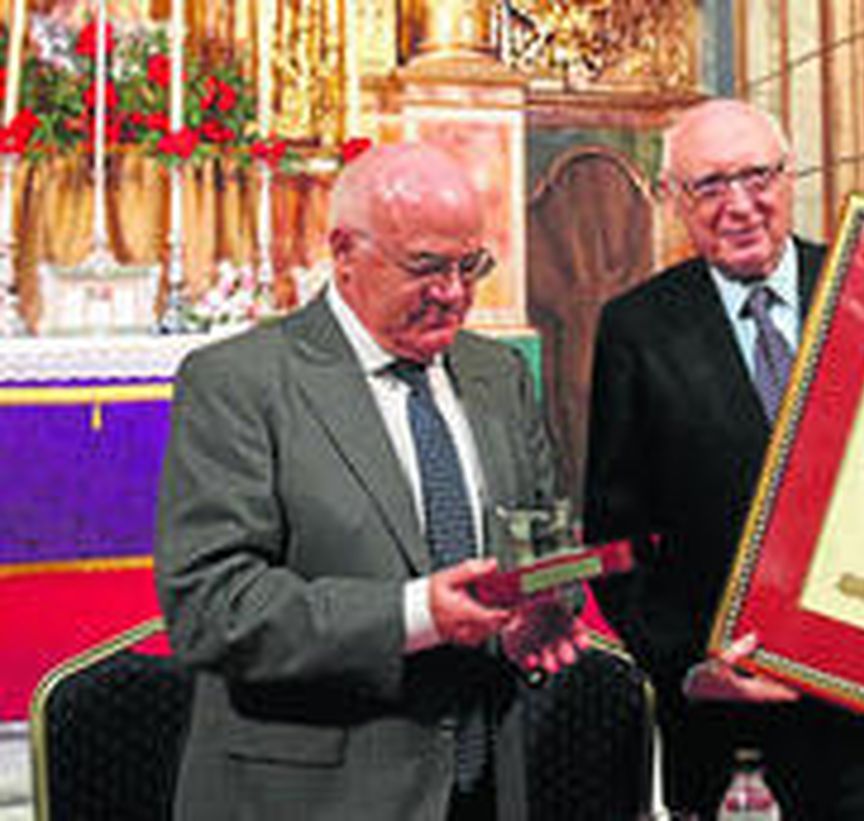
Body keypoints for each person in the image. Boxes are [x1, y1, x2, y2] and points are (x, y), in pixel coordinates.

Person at [583, 98, 864, 819]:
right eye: (709, 186)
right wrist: (687, 669)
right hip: (729, 731)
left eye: (757, 176)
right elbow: (613, 539)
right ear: (671, 199)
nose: (739, 205)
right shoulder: (637, 328)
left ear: (790, 175)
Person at [155, 143, 582, 821]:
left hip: (485, 778)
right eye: (426, 267)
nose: (454, 292)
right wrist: (417, 614)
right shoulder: (240, 382)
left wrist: (537, 610)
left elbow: (541, 541)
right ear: (344, 252)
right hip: (313, 793)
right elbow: (213, 605)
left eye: (470, 265)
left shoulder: (498, 374)